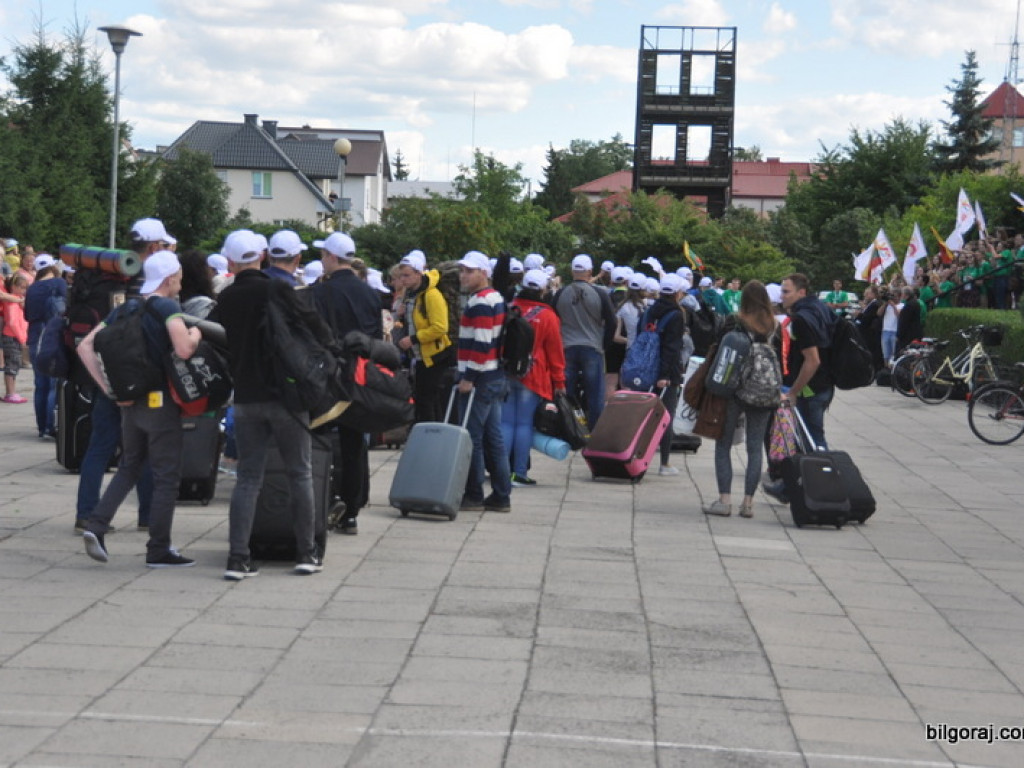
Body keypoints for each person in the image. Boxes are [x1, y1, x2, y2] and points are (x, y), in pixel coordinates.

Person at [210, 230, 328, 579]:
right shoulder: (278, 289)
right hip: (286, 397)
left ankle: (238, 558)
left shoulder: (227, 298)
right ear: (262, 255)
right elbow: (317, 329)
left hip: (246, 398)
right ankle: (306, 553)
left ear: (230, 262)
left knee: (248, 478)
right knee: (300, 473)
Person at [78, 250, 201, 568]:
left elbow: (85, 345)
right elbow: (184, 349)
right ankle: (158, 549)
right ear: (171, 277)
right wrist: (197, 331)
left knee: (130, 466)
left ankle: (96, 525)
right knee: (166, 477)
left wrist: (108, 389)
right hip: (160, 403)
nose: (180, 283)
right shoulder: (168, 307)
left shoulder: (125, 308)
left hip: (129, 402)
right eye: (179, 278)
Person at [73, 218, 172, 533]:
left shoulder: (112, 274)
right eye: (165, 245)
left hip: (109, 372)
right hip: (141, 376)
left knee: (100, 446)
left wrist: (105, 385)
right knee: (145, 446)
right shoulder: (151, 280)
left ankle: (86, 513)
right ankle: (147, 514)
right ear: (155, 247)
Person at [311, 231, 383, 535]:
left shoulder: (321, 292)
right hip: (360, 374)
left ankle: (325, 501)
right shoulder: (370, 293)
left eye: (322, 255)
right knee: (354, 445)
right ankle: (352, 510)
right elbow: (377, 337)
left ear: (330, 257)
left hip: (328, 375)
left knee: (320, 439)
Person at [704, 281, 780, 518]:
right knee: (755, 447)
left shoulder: (736, 321)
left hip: (735, 390)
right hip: (762, 391)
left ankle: (724, 500)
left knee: (723, 443)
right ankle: (748, 503)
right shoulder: (773, 324)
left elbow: (720, 350)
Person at [455, 250, 512, 512]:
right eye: (462, 270)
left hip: (480, 377)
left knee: (472, 438)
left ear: (483, 273)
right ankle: (501, 494)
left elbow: (481, 340)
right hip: (494, 374)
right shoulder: (496, 297)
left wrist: (469, 377)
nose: (463, 275)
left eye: (469, 271)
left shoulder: (480, 301)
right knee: (494, 437)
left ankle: (474, 493)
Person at [501, 268, 566, 486]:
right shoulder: (548, 316)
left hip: (508, 371)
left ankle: (501, 471)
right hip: (534, 375)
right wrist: (559, 382)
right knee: (524, 424)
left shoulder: (509, 309)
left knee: (506, 423)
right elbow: (555, 353)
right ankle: (519, 473)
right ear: (542, 290)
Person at [553, 254, 617, 429]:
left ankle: (569, 427)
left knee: (567, 391)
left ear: (573, 270)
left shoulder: (560, 294)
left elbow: (553, 320)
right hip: (592, 346)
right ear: (590, 271)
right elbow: (612, 322)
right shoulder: (600, 293)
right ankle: (595, 429)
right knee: (595, 393)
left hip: (567, 347)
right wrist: (604, 344)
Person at [395, 249, 456, 425]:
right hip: (423, 356)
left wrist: (413, 339)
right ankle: (432, 437)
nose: (403, 280)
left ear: (418, 273)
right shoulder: (413, 295)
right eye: (401, 276)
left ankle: (431, 438)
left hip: (435, 356)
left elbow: (440, 327)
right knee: (426, 400)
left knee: (427, 401)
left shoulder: (431, 295)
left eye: (407, 276)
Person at [779, 273, 835, 449]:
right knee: (813, 436)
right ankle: (814, 473)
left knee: (812, 440)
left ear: (801, 292)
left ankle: (822, 474)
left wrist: (794, 391)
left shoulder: (801, 319)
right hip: (825, 383)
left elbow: (813, 360)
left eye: (786, 291)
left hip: (811, 389)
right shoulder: (821, 308)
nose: (782, 296)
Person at [645, 273, 687, 477]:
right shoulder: (676, 315)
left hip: (645, 368)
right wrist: (665, 375)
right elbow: (672, 348)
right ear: (678, 293)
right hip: (667, 372)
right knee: (666, 416)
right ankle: (664, 463)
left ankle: (637, 454)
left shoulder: (650, 309)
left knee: (644, 415)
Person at [23, 254, 68, 435]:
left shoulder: (32, 288)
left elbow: (27, 315)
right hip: (51, 336)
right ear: (53, 267)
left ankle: (41, 427)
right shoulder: (59, 283)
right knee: (53, 384)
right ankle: (52, 426)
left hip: (34, 336)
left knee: (40, 384)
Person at [1, 273, 30, 403]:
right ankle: (10, 392)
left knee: (15, 364)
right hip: (12, 336)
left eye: (25, 288)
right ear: (13, 286)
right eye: (21, 287)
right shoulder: (12, 301)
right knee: (12, 365)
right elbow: (12, 322)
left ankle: (11, 392)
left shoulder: (16, 300)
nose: (23, 291)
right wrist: (22, 338)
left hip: (15, 336)